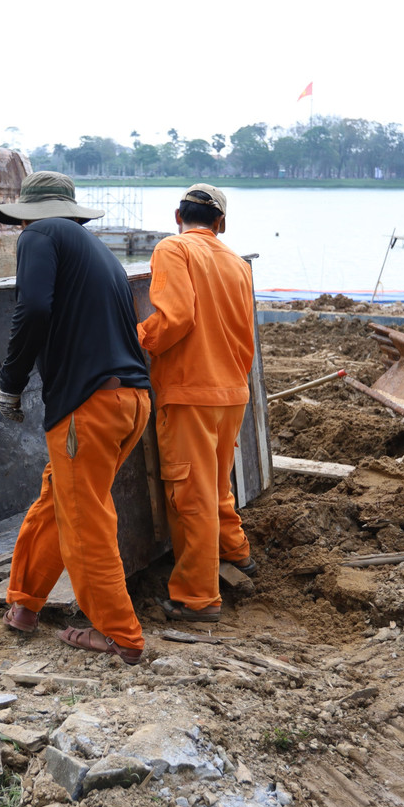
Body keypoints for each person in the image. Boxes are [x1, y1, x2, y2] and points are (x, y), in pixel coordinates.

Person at [0, 172, 152, 664]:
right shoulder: (97, 250)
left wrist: (10, 381)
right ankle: (25, 605)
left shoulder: (39, 234)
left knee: (85, 520)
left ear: (30, 215)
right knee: (57, 501)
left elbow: (34, 309)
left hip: (91, 406)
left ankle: (120, 636)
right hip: (130, 402)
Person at [137, 184, 255, 622]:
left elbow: (176, 318)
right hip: (232, 392)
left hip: (191, 392)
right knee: (216, 484)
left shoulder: (174, 248)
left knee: (191, 495)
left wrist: (137, 337)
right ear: (220, 224)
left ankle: (197, 598)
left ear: (177, 216)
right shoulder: (237, 263)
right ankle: (236, 551)